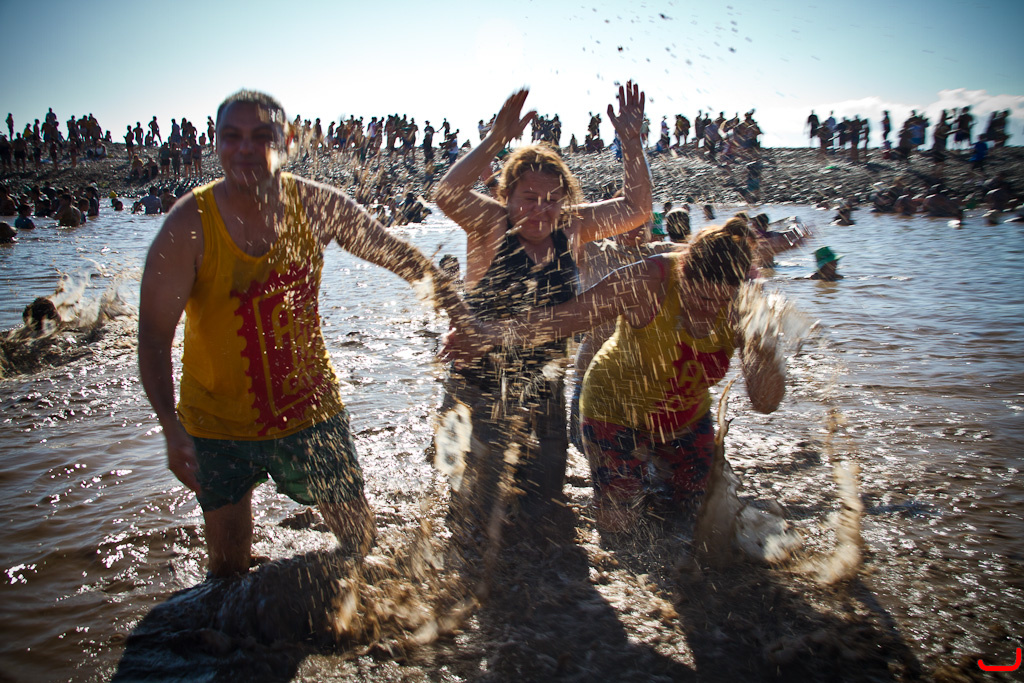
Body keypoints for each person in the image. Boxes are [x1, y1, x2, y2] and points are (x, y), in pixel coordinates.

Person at [138, 90, 464, 578]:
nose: (245, 149)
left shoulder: (315, 205)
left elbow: (396, 253)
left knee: (361, 545)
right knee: (227, 572)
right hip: (216, 423)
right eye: (232, 136)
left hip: (309, 407)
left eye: (261, 136)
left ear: (286, 141)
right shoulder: (188, 225)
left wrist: (459, 312)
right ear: (215, 142)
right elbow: (153, 337)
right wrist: (170, 426)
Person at [444, 217, 786, 532]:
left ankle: (655, 486)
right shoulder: (648, 279)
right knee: (619, 526)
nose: (706, 311)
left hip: (684, 418)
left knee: (700, 520)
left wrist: (765, 346)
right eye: (698, 297)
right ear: (683, 270)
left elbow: (765, 403)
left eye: (719, 302)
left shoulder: (747, 307)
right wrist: (486, 334)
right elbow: (566, 318)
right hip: (613, 409)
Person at [432, 82, 651, 523]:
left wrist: (631, 143)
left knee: (546, 516)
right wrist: (496, 139)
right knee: (474, 517)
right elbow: (446, 193)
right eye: (528, 199)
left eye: (552, 200)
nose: (540, 211)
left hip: (544, 390)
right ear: (506, 197)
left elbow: (637, 207)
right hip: (478, 389)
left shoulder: (572, 226)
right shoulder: (490, 223)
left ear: (565, 199)